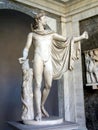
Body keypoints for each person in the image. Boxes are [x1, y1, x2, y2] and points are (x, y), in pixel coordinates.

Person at [19, 11, 88, 121]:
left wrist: (81, 37)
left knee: (48, 85)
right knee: (37, 84)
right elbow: (26, 47)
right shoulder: (32, 34)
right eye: (44, 18)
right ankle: (38, 113)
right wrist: (24, 56)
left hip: (48, 60)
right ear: (38, 20)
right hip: (38, 58)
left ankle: (41, 105)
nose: (46, 20)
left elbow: (67, 39)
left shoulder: (50, 34)